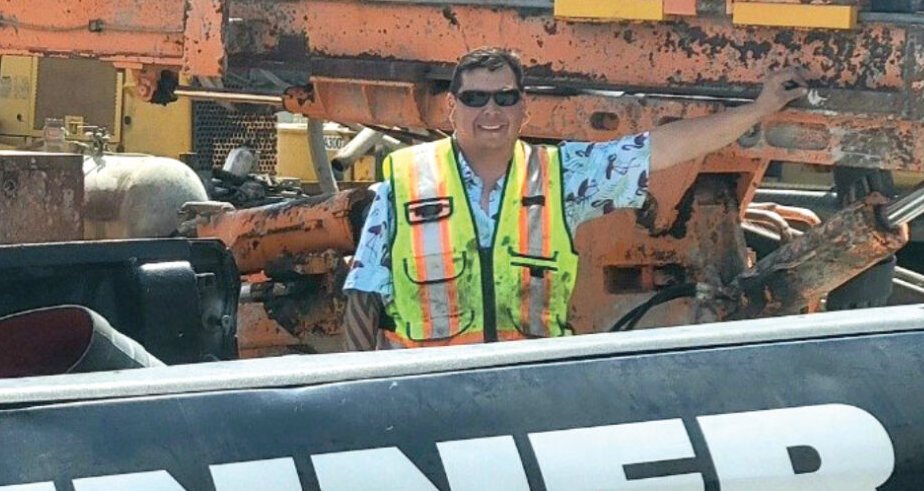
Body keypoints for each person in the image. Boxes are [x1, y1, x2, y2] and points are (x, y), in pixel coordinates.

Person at [343, 47, 809, 350]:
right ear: (452, 107)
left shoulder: (562, 177)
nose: (490, 111)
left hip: (529, 394)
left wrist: (759, 108)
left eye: (504, 99)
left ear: (523, 109)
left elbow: (664, 148)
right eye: (475, 98)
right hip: (428, 398)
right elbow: (363, 299)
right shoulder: (406, 182)